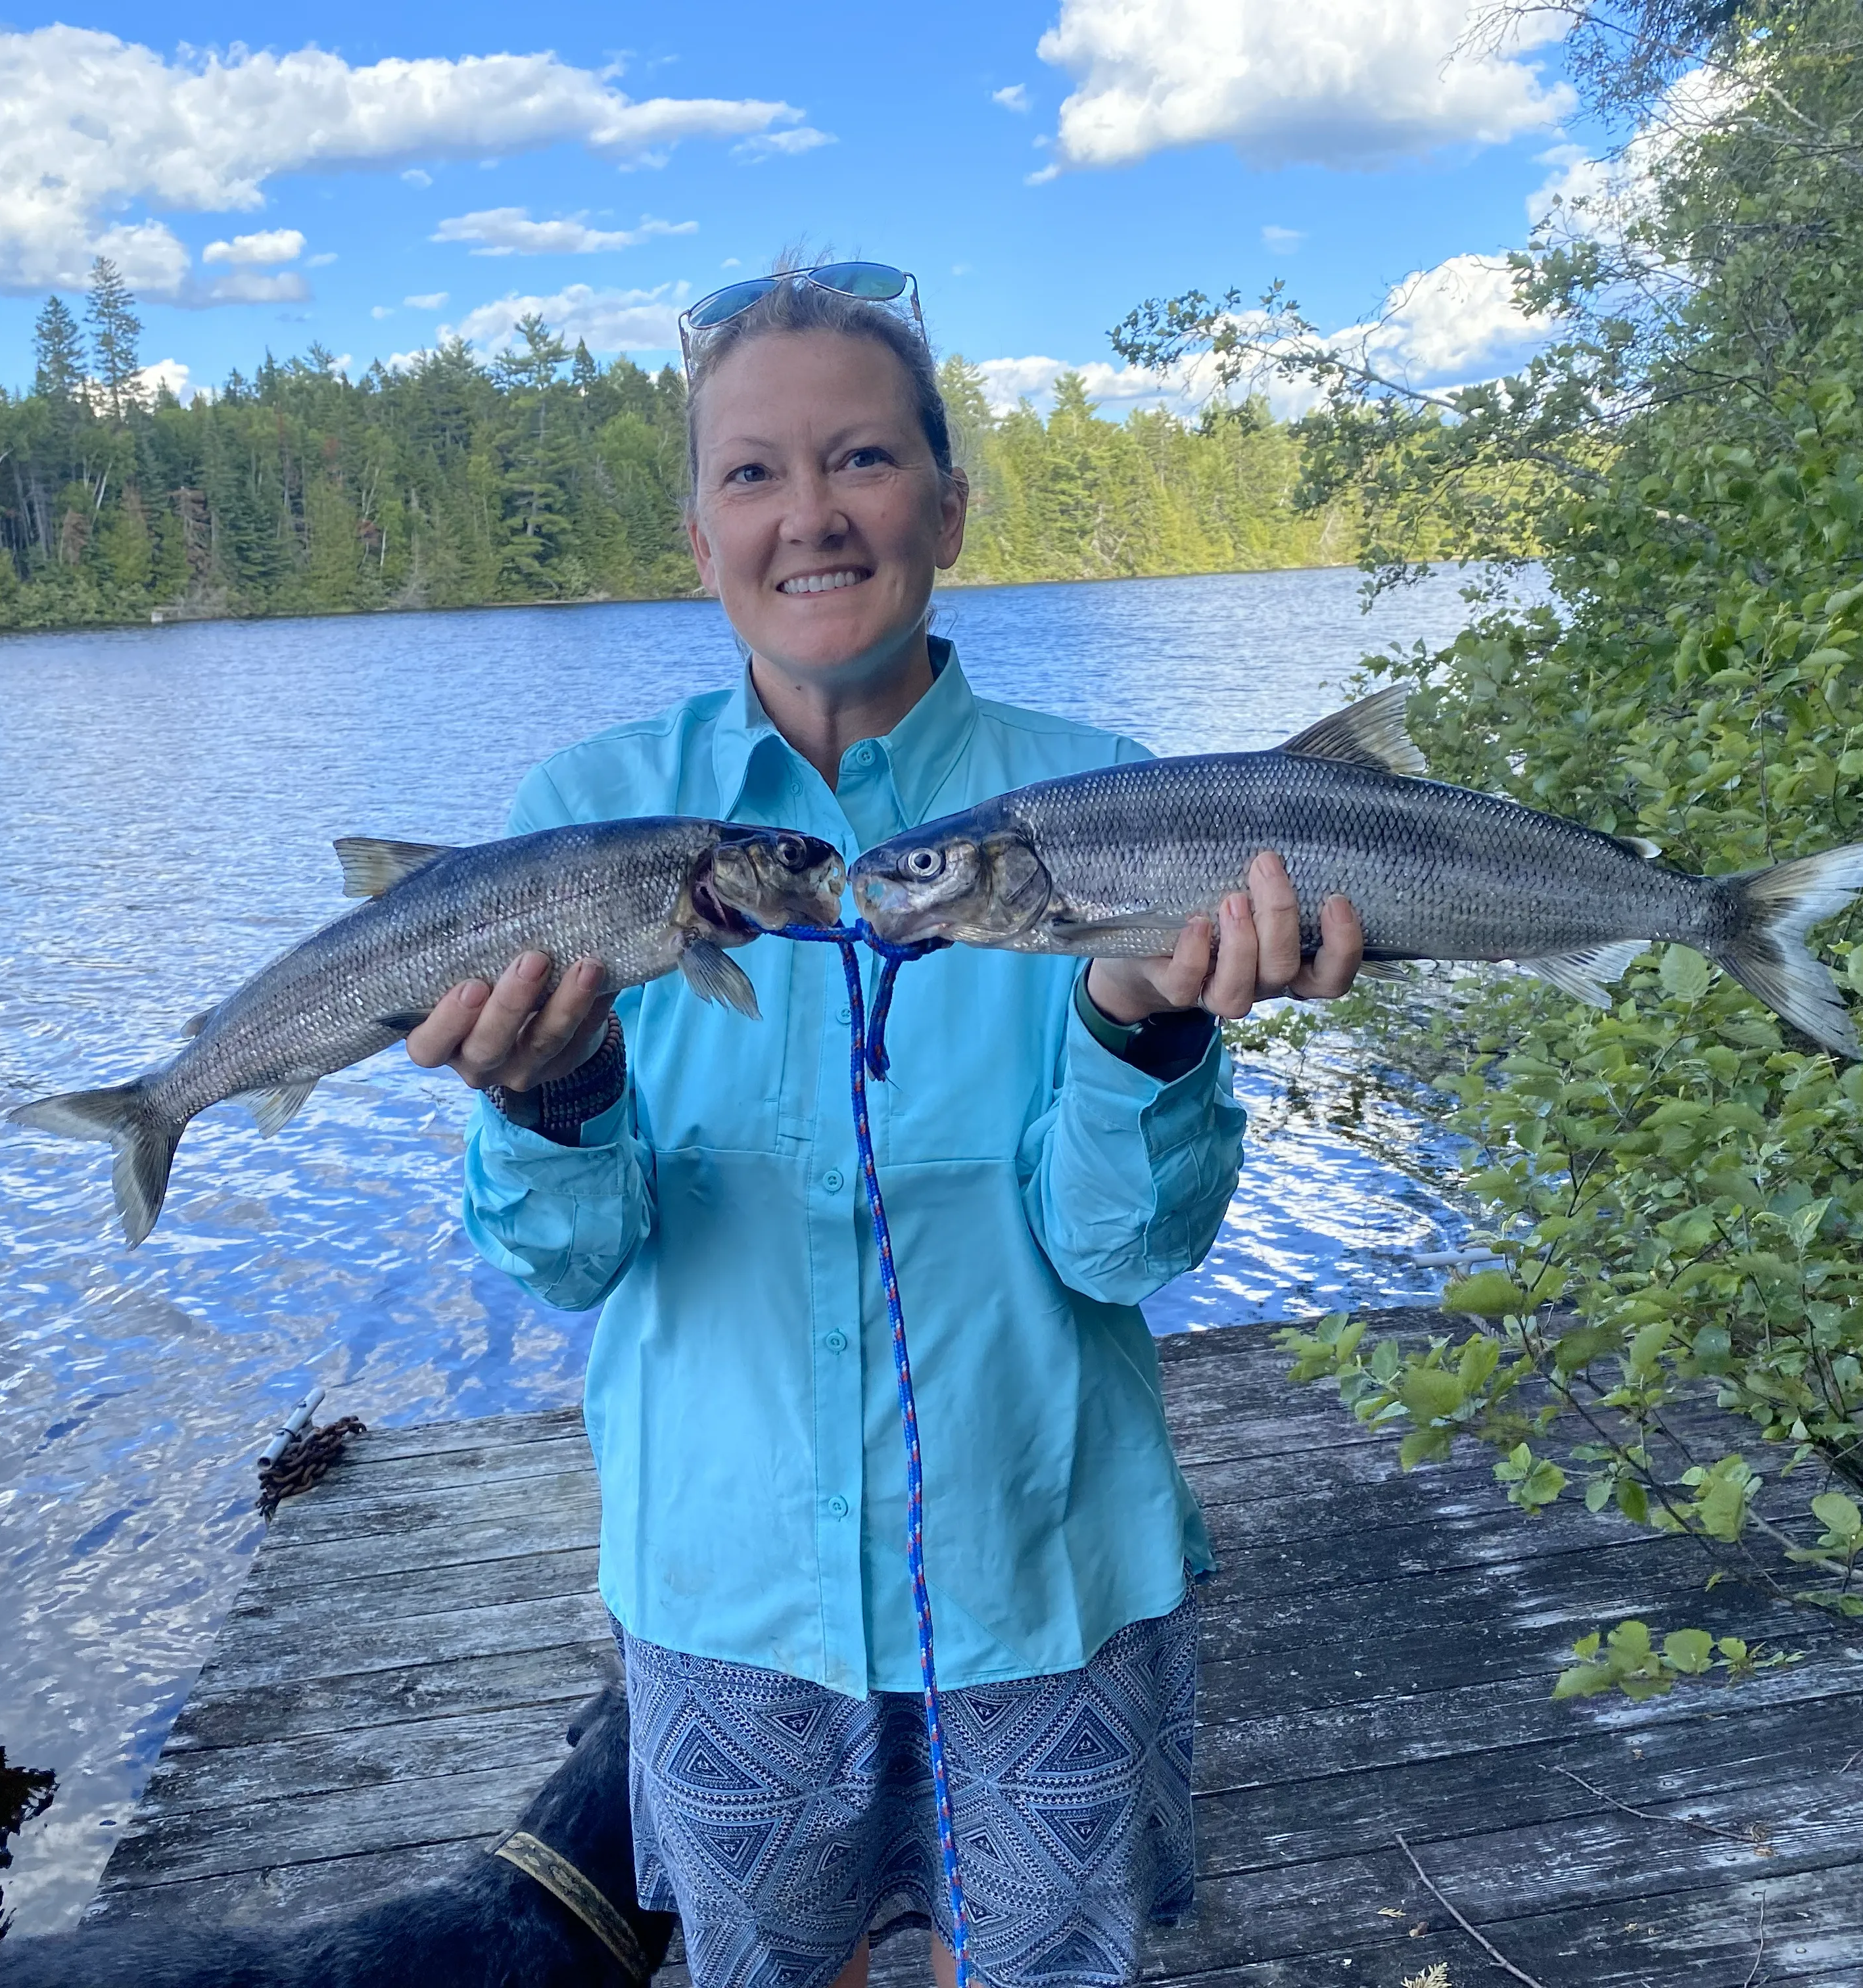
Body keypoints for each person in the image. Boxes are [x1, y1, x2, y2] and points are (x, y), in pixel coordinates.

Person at [404, 262, 1361, 1988]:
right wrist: (553, 1096)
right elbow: (573, 1257)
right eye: (752, 474)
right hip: (728, 1590)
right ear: (697, 540)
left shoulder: (1116, 799)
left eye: (859, 459)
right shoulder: (577, 827)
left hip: (1044, 1568)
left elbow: (1121, 1248)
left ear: (947, 508)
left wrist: (1138, 1030)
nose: (810, 514)